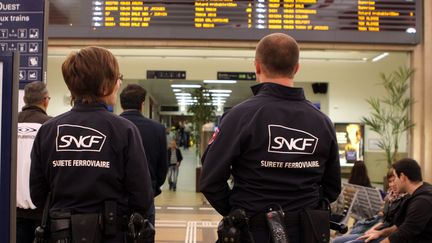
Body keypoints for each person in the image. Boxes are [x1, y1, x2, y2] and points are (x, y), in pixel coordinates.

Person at [199, 33, 341, 243]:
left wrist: (237, 211)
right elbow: (332, 187)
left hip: (251, 232)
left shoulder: (239, 117)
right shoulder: (322, 122)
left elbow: (211, 180)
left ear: (257, 67)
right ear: (297, 68)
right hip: (306, 232)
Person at [30, 46, 154, 242]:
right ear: (105, 85)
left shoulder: (48, 130)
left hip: (59, 233)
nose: (118, 84)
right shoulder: (124, 130)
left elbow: (37, 195)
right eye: (116, 78)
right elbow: (142, 197)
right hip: (111, 234)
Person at [119, 83, 168, 226]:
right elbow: (162, 169)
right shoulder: (157, 129)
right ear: (142, 104)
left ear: (121, 104)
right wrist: (152, 187)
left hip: (116, 199)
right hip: (146, 197)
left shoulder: (111, 126)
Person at [358, 158, 432, 243]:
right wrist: (380, 233)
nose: (393, 183)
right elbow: (398, 226)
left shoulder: (422, 201)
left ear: (402, 177)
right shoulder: (413, 194)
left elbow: (403, 235)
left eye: (395, 178)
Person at [16, 81, 52, 243]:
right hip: (41, 211)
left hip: (10, 210)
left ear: (24, 99)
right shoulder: (51, 126)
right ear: (45, 100)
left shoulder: (8, 121)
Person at [333, 169, 408, 243]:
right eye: (390, 181)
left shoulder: (406, 200)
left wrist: (378, 232)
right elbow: (383, 220)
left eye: (394, 181)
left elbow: (396, 227)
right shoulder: (391, 196)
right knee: (337, 240)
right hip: (379, 229)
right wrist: (372, 230)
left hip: (386, 235)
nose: (391, 184)